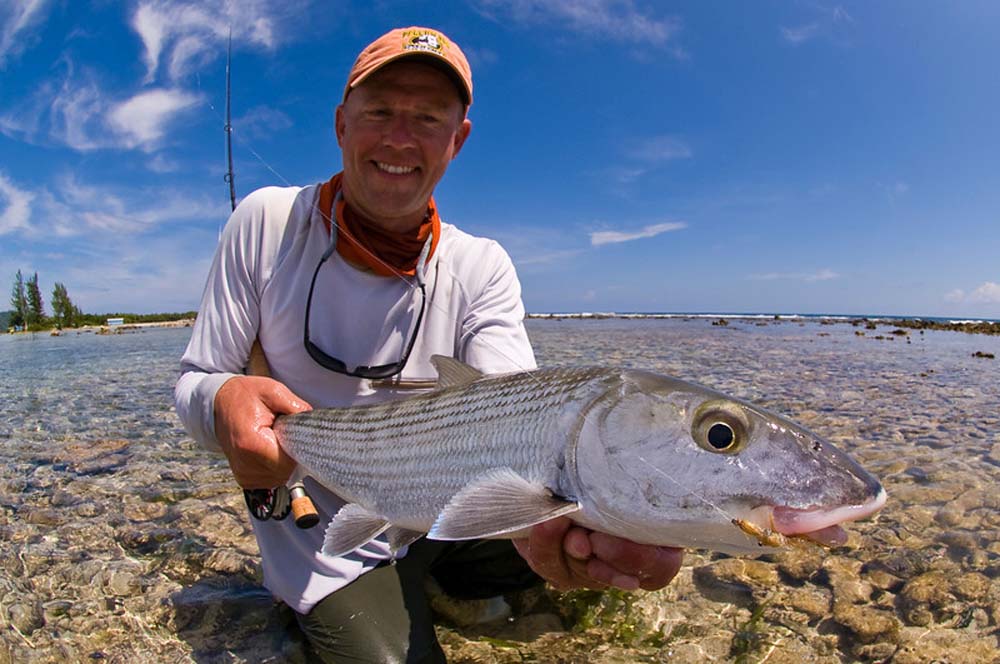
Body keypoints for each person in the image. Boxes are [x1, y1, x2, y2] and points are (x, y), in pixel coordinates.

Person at [175, 26, 683, 662]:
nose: (398, 138)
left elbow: (516, 404)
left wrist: (552, 520)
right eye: (379, 112)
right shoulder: (265, 222)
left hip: (445, 492)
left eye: (426, 117)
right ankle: (379, 589)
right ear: (340, 124)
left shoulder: (482, 264)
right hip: (321, 517)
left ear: (457, 139)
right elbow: (195, 381)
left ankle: (435, 576)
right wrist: (224, 405)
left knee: (590, 543)